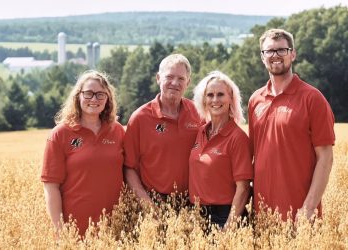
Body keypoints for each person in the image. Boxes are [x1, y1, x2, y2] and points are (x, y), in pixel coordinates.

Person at [248, 28, 335, 220]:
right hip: (261, 214)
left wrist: (309, 207)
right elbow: (252, 155)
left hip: (300, 215)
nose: (275, 55)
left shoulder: (313, 98)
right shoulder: (255, 100)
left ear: (292, 54)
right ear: (262, 57)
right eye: (269, 51)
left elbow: (326, 157)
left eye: (282, 50)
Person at [41, 70, 125, 236]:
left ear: (108, 98)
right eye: (88, 93)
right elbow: (51, 186)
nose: (94, 99)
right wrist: (61, 232)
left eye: (101, 94)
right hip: (75, 230)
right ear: (77, 96)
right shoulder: (60, 134)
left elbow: (129, 172)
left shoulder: (117, 131)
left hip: (115, 229)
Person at [123, 53, 201, 203]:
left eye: (181, 79)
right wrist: (147, 204)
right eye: (169, 77)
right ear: (158, 78)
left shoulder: (197, 113)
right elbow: (128, 168)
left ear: (188, 82)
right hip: (154, 201)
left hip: (192, 203)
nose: (175, 83)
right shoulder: (140, 118)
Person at [189, 71, 253, 229]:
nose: (215, 100)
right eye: (210, 95)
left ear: (231, 98)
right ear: (204, 100)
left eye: (220, 94)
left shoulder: (238, 138)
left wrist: (228, 227)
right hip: (196, 215)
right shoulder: (201, 131)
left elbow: (243, 188)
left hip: (224, 216)